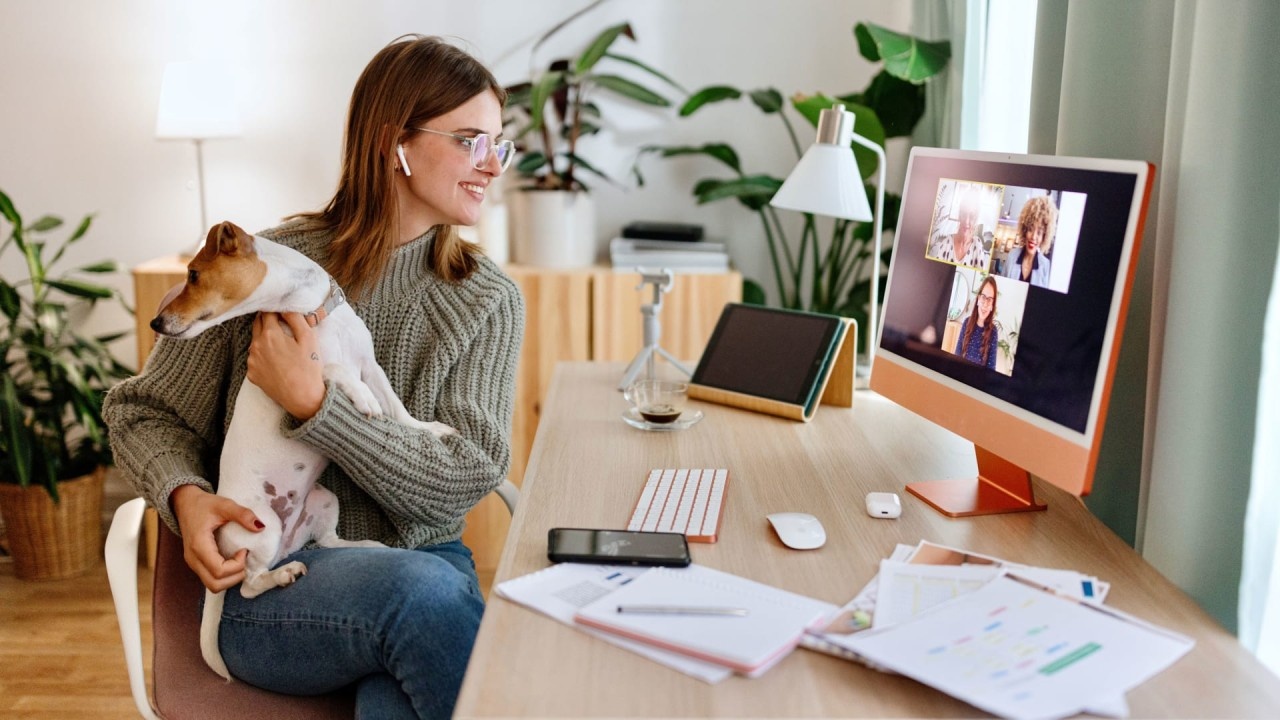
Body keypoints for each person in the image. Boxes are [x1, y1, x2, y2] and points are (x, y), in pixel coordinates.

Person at [103, 35, 524, 719]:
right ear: (397, 142)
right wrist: (185, 497)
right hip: (278, 586)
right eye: (471, 141)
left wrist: (318, 405)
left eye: (498, 145)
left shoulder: (486, 297)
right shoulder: (268, 270)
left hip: (424, 573)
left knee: (403, 670)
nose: (492, 167)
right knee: (422, 601)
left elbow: (463, 476)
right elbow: (139, 411)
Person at [928, 185, 990, 270]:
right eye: (964, 214)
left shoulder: (977, 246)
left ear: (975, 219)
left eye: (971, 216)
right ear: (960, 215)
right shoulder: (946, 243)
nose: (966, 221)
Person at [1002, 195, 1057, 287]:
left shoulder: (1045, 266)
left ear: (1044, 236)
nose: (1033, 237)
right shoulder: (1012, 256)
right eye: (1030, 229)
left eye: (1039, 232)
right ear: (1025, 230)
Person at [952, 275, 1000, 369]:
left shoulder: (993, 332)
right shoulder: (966, 322)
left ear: (992, 306)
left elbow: (991, 369)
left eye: (989, 299)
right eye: (983, 297)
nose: (985, 304)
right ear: (978, 299)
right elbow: (957, 355)